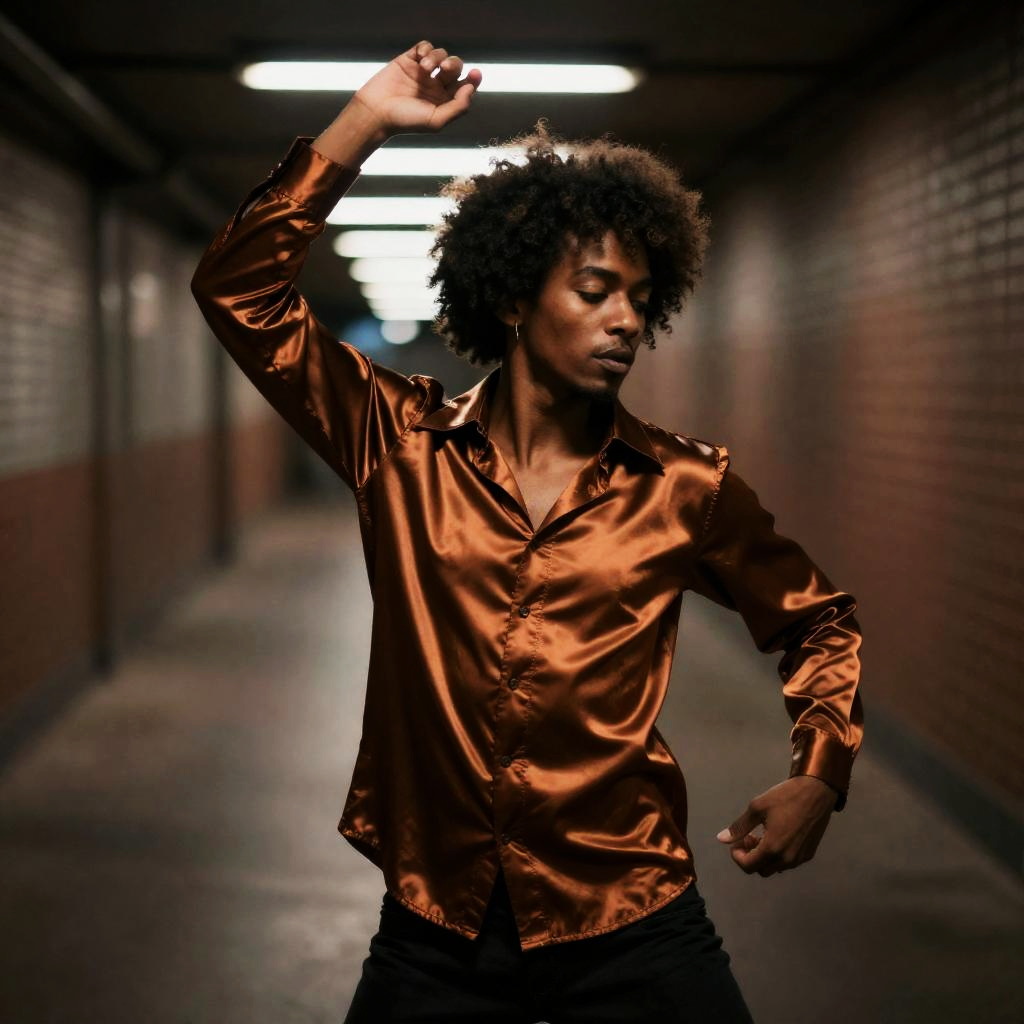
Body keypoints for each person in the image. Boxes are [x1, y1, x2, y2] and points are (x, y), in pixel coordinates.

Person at [191, 39, 863, 1024]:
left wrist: (820, 772)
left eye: (640, 297)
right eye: (595, 291)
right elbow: (239, 293)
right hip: (435, 926)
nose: (625, 319)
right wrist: (364, 120)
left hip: (632, 912)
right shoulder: (398, 443)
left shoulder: (686, 484)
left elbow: (818, 621)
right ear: (511, 297)